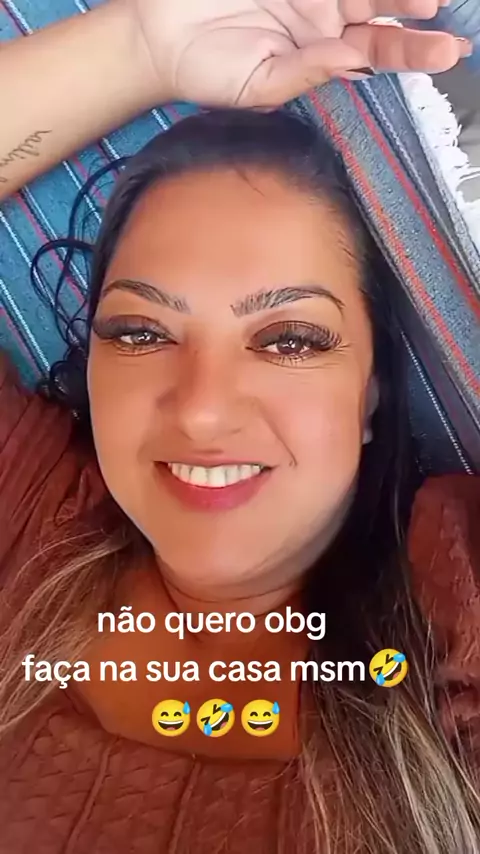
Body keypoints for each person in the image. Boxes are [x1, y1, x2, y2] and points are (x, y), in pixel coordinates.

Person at [0, 2, 479, 853]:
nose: (202, 408)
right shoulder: (23, 519)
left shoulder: (457, 612)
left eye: (290, 339)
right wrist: (142, 47)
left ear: (373, 391)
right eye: (140, 333)